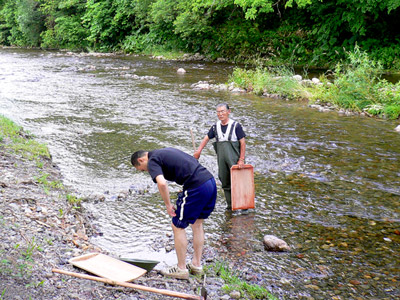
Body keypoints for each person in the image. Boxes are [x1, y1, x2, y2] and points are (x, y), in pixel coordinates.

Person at [131, 147, 217, 280]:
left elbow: (162, 183)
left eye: (143, 169)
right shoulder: (163, 152)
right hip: (210, 182)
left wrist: (168, 204)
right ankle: (196, 265)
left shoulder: (152, 160)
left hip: (196, 186)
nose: (147, 171)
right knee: (197, 224)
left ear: (141, 160)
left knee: (177, 225)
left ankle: (181, 269)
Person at [194, 103, 246, 209]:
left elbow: (243, 143)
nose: (220, 114)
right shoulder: (215, 127)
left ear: (228, 111)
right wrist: (198, 151)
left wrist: (241, 159)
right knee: (225, 181)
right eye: (218, 112)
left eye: (222, 111)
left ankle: (244, 206)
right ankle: (231, 206)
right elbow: (206, 138)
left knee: (238, 182)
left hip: (235, 160)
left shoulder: (236, 126)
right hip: (222, 161)